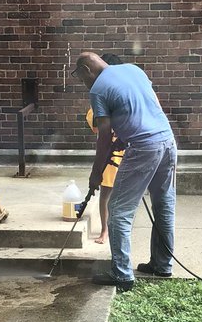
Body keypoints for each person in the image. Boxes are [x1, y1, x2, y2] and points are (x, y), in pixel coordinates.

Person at [74, 51, 177, 291]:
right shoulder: (134, 70)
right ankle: (162, 265)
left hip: (143, 148)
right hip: (167, 141)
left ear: (87, 70)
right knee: (164, 205)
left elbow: (103, 135)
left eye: (81, 78)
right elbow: (151, 107)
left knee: (118, 209)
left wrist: (96, 172)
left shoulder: (98, 89)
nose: (84, 83)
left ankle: (121, 274)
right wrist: (123, 137)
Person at [84, 52, 125, 244]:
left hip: (124, 151)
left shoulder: (120, 96)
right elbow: (93, 123)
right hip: (108, 153)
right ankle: (105, 231)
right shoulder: (99, 99)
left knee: (122, 195)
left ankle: (116, 230)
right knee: (106, 193)